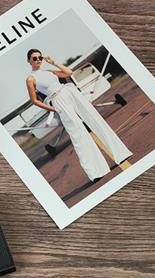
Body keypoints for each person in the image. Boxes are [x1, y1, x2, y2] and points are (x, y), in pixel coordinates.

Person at [25, 48, 132, 182]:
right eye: (34, 58)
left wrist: (54, 62)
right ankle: (96, 171)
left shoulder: (48, 71)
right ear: (29, 60)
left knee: (95, 119)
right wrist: (52, 109)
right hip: (57, 100)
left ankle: (121, 154)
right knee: (77, 133)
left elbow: (68, 73)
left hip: (69, 92)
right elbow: (34, 100)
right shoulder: (30, 79)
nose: (38, 60)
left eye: (40, 57)